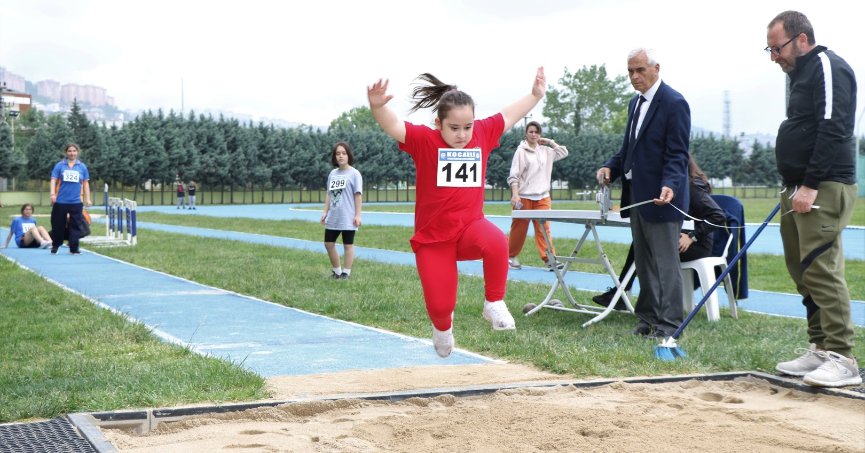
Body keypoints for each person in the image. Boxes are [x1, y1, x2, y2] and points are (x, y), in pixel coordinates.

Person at [367, 68, 546, 358]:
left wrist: (535, 95)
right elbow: (394, 125)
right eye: (454, 128)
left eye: (468, 127)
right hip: (434, 239)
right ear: (439, 123)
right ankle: (442, 328)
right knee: (440, 306)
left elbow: (509, 114)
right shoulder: (425, 140)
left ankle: (494, 303)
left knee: (497, 241)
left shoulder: (483, 133)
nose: (462, 135)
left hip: (469, 229)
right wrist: (378, 107)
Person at [766, 11, 860, 388]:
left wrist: (810, 183)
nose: (774, 57)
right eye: (769, 50)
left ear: (802, 39)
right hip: (797, 186)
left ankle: (843, 357)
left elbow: (834, 126)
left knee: (821, 269)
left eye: (778, 48)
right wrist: (792, 182)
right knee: (800, 269)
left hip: (823, 186)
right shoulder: (797, 75)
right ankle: (820, 347)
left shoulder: (826, 65)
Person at [595, 48, 690, 339]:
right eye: (630, 72)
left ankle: (670, 324)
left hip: (663, 198)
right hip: (637, 196)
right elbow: (629, 150)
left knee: (665, 264)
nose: (635, 77)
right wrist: (611, 166)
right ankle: (646, 320)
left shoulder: (674, 103)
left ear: (656, 68)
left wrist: (671, 185)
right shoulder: (634, 104)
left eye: (640, 70)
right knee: (644, 263)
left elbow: (678, 154)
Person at [593, 155, 726, 310]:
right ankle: (623, 294)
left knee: (643, 245)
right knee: (641, 241)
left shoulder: (691, 187)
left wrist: (693, 236)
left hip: (696, 245)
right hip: (676, 238)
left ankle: (627, 295)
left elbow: (718, 216)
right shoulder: (669, 187)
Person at [506, 121, 569, 271]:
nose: (533, 134)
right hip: (524, 197)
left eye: (536, 132)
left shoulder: (546, 150)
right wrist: (515, 195)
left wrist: (549, 141)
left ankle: (550, 260)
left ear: (540, 134)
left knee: (544, 229)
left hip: (543, 197)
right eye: (531, 132)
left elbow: (563, 153)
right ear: (526, 134)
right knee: (519, 229)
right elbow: (514, 176)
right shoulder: (521, 151)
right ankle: (510, 256)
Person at [321, 142, 363, 280]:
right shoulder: (332, 174)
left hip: (348, 216)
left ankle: (346, 273)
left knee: (348, 245)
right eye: (338, 154)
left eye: (343, 153)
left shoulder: (355, 174)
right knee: (328, 243)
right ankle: (337, 271)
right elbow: (329, 193)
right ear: (335, 157)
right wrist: (325, 212)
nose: (341, 156)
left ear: (348, 155)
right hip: (334, 216)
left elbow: (358, 195)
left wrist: (357, 215)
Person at [49, 143, 91, 254]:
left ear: (77, 152)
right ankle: (55, 245)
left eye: (74, 151)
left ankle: (74, 248)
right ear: (66, 153)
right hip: (61, 201)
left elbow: (85, 183)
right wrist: (52, 194)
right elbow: (53, 180)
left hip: (76, 202)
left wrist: (88, 198)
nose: (72, 153)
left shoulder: (82, 167)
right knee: (58, 224)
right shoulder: (60, 165)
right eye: (69, 151)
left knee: (76, 225)